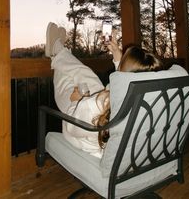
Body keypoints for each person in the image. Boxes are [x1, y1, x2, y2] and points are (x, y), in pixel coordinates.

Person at [46, 22, 163, 158]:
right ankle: (61, 51)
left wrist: (75, 101)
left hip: (85, 134)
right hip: (103, 120)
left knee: (66, 84)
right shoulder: (148, 97)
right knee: (86, 74)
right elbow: (127, 78)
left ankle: (56, 51)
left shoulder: (95, 106)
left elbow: (73, 128)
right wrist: (116, 52)